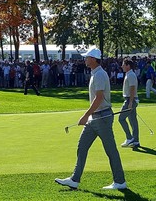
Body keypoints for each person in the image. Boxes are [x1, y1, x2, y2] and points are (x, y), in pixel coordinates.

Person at [55, 47, 127, 190]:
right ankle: (75, 179)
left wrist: (85, 115)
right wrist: (89, 116)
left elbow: (99, 98)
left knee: (110, 150)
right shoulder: (95, 73)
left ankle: (120, 182)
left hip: (102, 117)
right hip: (95, 118)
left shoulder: (100, 74)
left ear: (93, 59)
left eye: (87, 57)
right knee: (82, 147)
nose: (85, 59)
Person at [118, 58, 140, 148]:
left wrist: (130, 102)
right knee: (133, 120)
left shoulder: (130, 75)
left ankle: (129, 138)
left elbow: (132, 88)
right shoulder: (129, 74)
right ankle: (135, 141)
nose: (122, 66)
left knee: (121, 119)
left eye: (123, 64)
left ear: (128, 66)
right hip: (131, 100)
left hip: (130, 100)